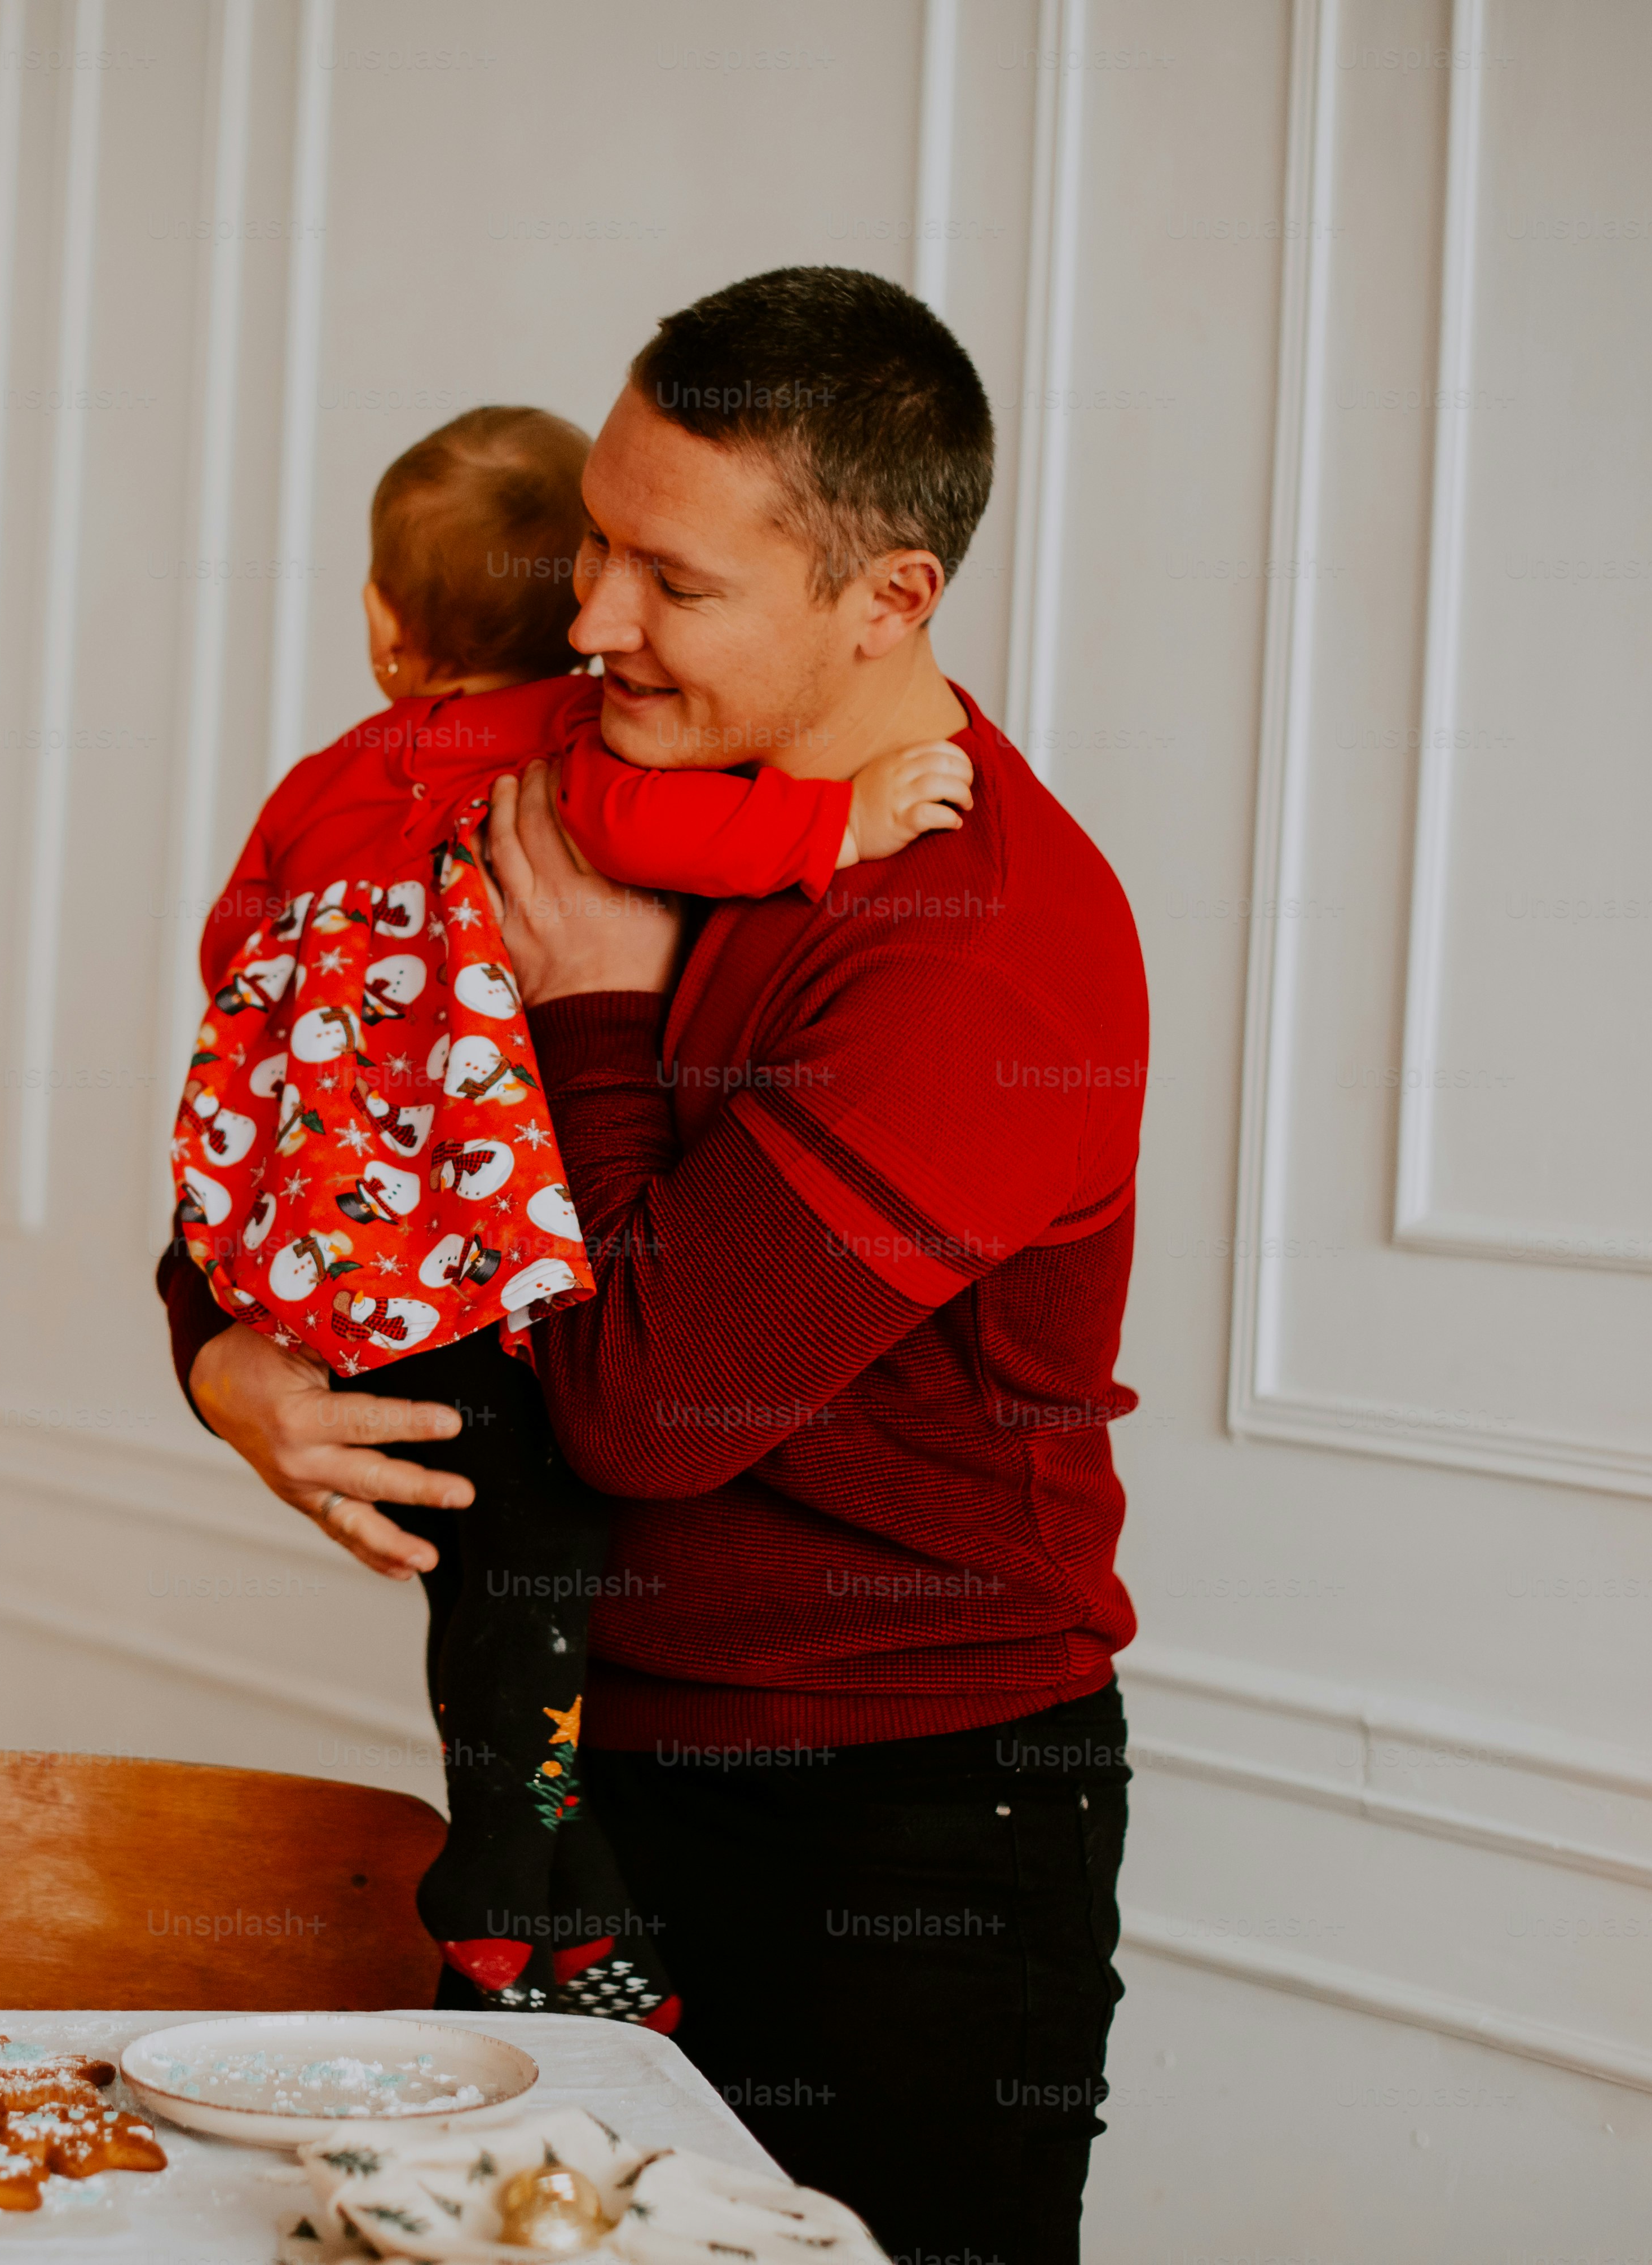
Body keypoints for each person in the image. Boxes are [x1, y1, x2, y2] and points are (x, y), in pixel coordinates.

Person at [168, 269, 1149, 2262]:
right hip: (581, 1772)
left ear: (884, 598)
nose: (587, 615)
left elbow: (641, 1408)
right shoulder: (577, 795)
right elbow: (322, 1114)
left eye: (667, 581)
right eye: (594, 542)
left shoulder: (976, 947)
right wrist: (218, 1353)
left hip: (897, 1833)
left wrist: (601, 1006)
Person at [170, 405, 971, 2026]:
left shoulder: (332, 776)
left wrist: (342, 1037)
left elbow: (229, 947)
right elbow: (662, 832)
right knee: (522, 1588)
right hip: (484, 1252)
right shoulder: (568, 758)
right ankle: (509, 1897)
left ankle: (562, 1903)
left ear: (392, 632)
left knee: (487, 1594)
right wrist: (844, 823)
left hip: (348, 1231)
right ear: (567, 616)